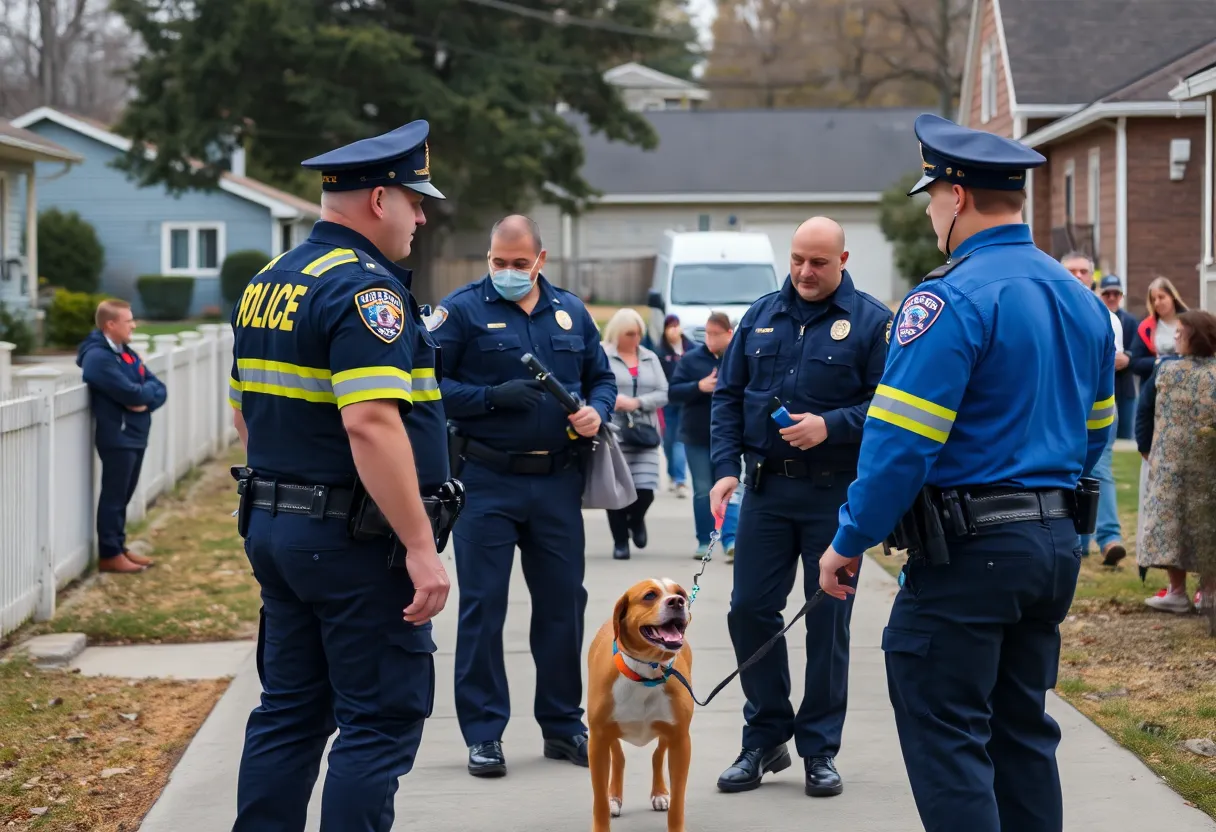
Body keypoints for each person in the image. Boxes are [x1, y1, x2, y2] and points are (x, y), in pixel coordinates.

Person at [818, 113, 1115, 832]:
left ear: (955, 196)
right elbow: (1099, 431)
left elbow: (900, 444)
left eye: (931, 198)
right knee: (1022, 735)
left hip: (969, 556)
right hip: (1050, 549)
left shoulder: (945, 299)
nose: (929, 214)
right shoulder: (1080, 299)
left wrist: (849, 539)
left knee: (948, 735)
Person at [227, 120, 454, 832]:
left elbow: (244, 412)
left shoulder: (269, 282)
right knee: (379, 722)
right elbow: (371, 423)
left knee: (290, 711)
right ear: (379, 198)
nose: (422, 217)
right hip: (353, 545)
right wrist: (419, 546)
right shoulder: (366, 294)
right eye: (416, 202)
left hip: (277, 529)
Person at [708, 216, 893, 798]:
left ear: (842, 259)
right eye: (797, 260)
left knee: (827, 622)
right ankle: (765, 737)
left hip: (834, 497)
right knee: (748, 611)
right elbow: (730, 397)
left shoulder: (872, 323)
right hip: (766, 493)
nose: (805, 272)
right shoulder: (760, 316)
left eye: (817, 262)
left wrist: (831, 426)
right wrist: (721, 470)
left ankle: (820, 748)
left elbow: (888, 408)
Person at [435, 214, 616, 777]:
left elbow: (602, 377)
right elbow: (426, 384)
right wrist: (490, 398)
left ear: (541, 259)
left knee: (564, 606)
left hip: (556, 481)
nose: (507, 272)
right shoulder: (460, 310)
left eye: (518, 263)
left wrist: (597, 411)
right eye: (497, 262)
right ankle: (484, 734)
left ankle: (563, 725)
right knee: (483, 608)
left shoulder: (571, 311)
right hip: (487, 481)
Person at [1135, 309, 1216, 614]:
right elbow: (1145, 409)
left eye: (1181, 331)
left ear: (1196, 335)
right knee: (1188, 525)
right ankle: (1186, 592)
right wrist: (1146, 447)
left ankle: (1195, 592)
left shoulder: (1166, 369)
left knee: (1192, 524)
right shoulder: (1166, 368)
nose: (1176, 335)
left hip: (1180, 465)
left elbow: (1144, 409)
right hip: (1184, 465)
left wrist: (1147, 448)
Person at [77, 299, 167, 574]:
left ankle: (119, 546)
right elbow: (130, 392)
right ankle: (110, 554)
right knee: (114, 498)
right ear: (110, 324)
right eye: (128, 321)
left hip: (134, 433)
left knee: (124, 496)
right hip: (119, 436)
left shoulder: (124, 352)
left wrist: (143, 397)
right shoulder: (98, 356)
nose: (134, 325)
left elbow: (158, 387)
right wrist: (139, 394)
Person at [1060, 253, 1127, 566]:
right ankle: (1078, 540)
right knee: (1069, 468)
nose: (1077, 275)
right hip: (1062, 405)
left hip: (1098, 405)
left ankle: (1109, 538)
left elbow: (1114, 361)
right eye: (1070, 270)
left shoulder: (1106, 315)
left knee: (1098, 468)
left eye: (1083, 270)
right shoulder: (1052, 309)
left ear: (1092, 276)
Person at [668, 311, 741, 560]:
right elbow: (673, 392)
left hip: (731, 437)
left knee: (730, 487)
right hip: (697, 436)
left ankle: (731, 539)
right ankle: (704, 540)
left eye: (715, 334)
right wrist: (697, 387)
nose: (710, 339)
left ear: (729, 334)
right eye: (707, 334)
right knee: (702, 490)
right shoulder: (691, 360)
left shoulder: (738, 358)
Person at [602, 308, 668, 560]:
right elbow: (593, 386)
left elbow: (664, 392)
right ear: (618, 333)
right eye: (630, 333)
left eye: (639, 333)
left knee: (646, 490)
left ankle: (636, 520)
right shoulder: (603, 356)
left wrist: (637, 402)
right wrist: (612, 400)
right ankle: (620, 542)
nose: (635, 338)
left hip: (645, 432)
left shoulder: (650, 357)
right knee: (616, 490)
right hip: (614, 432)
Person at [1098, 274, 1140, 439]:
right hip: (1102, 382)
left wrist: (1128, 357)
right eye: (1107, 294)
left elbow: (1139, 350)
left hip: (1125, 384)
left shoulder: (1130, 321)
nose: (1112, 297)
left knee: (1125, 432)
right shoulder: (1095, 317)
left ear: (1121, 296)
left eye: (1116, 294)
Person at [655, 313, 693, 497]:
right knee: (668, 441)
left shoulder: (691, 349)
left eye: (676, 325)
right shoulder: (661, 352)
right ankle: (672, 473)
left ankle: (680, 481)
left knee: (679, 440)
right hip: (667, 403)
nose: (674, 330)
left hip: (686, 401)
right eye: (670, 326)